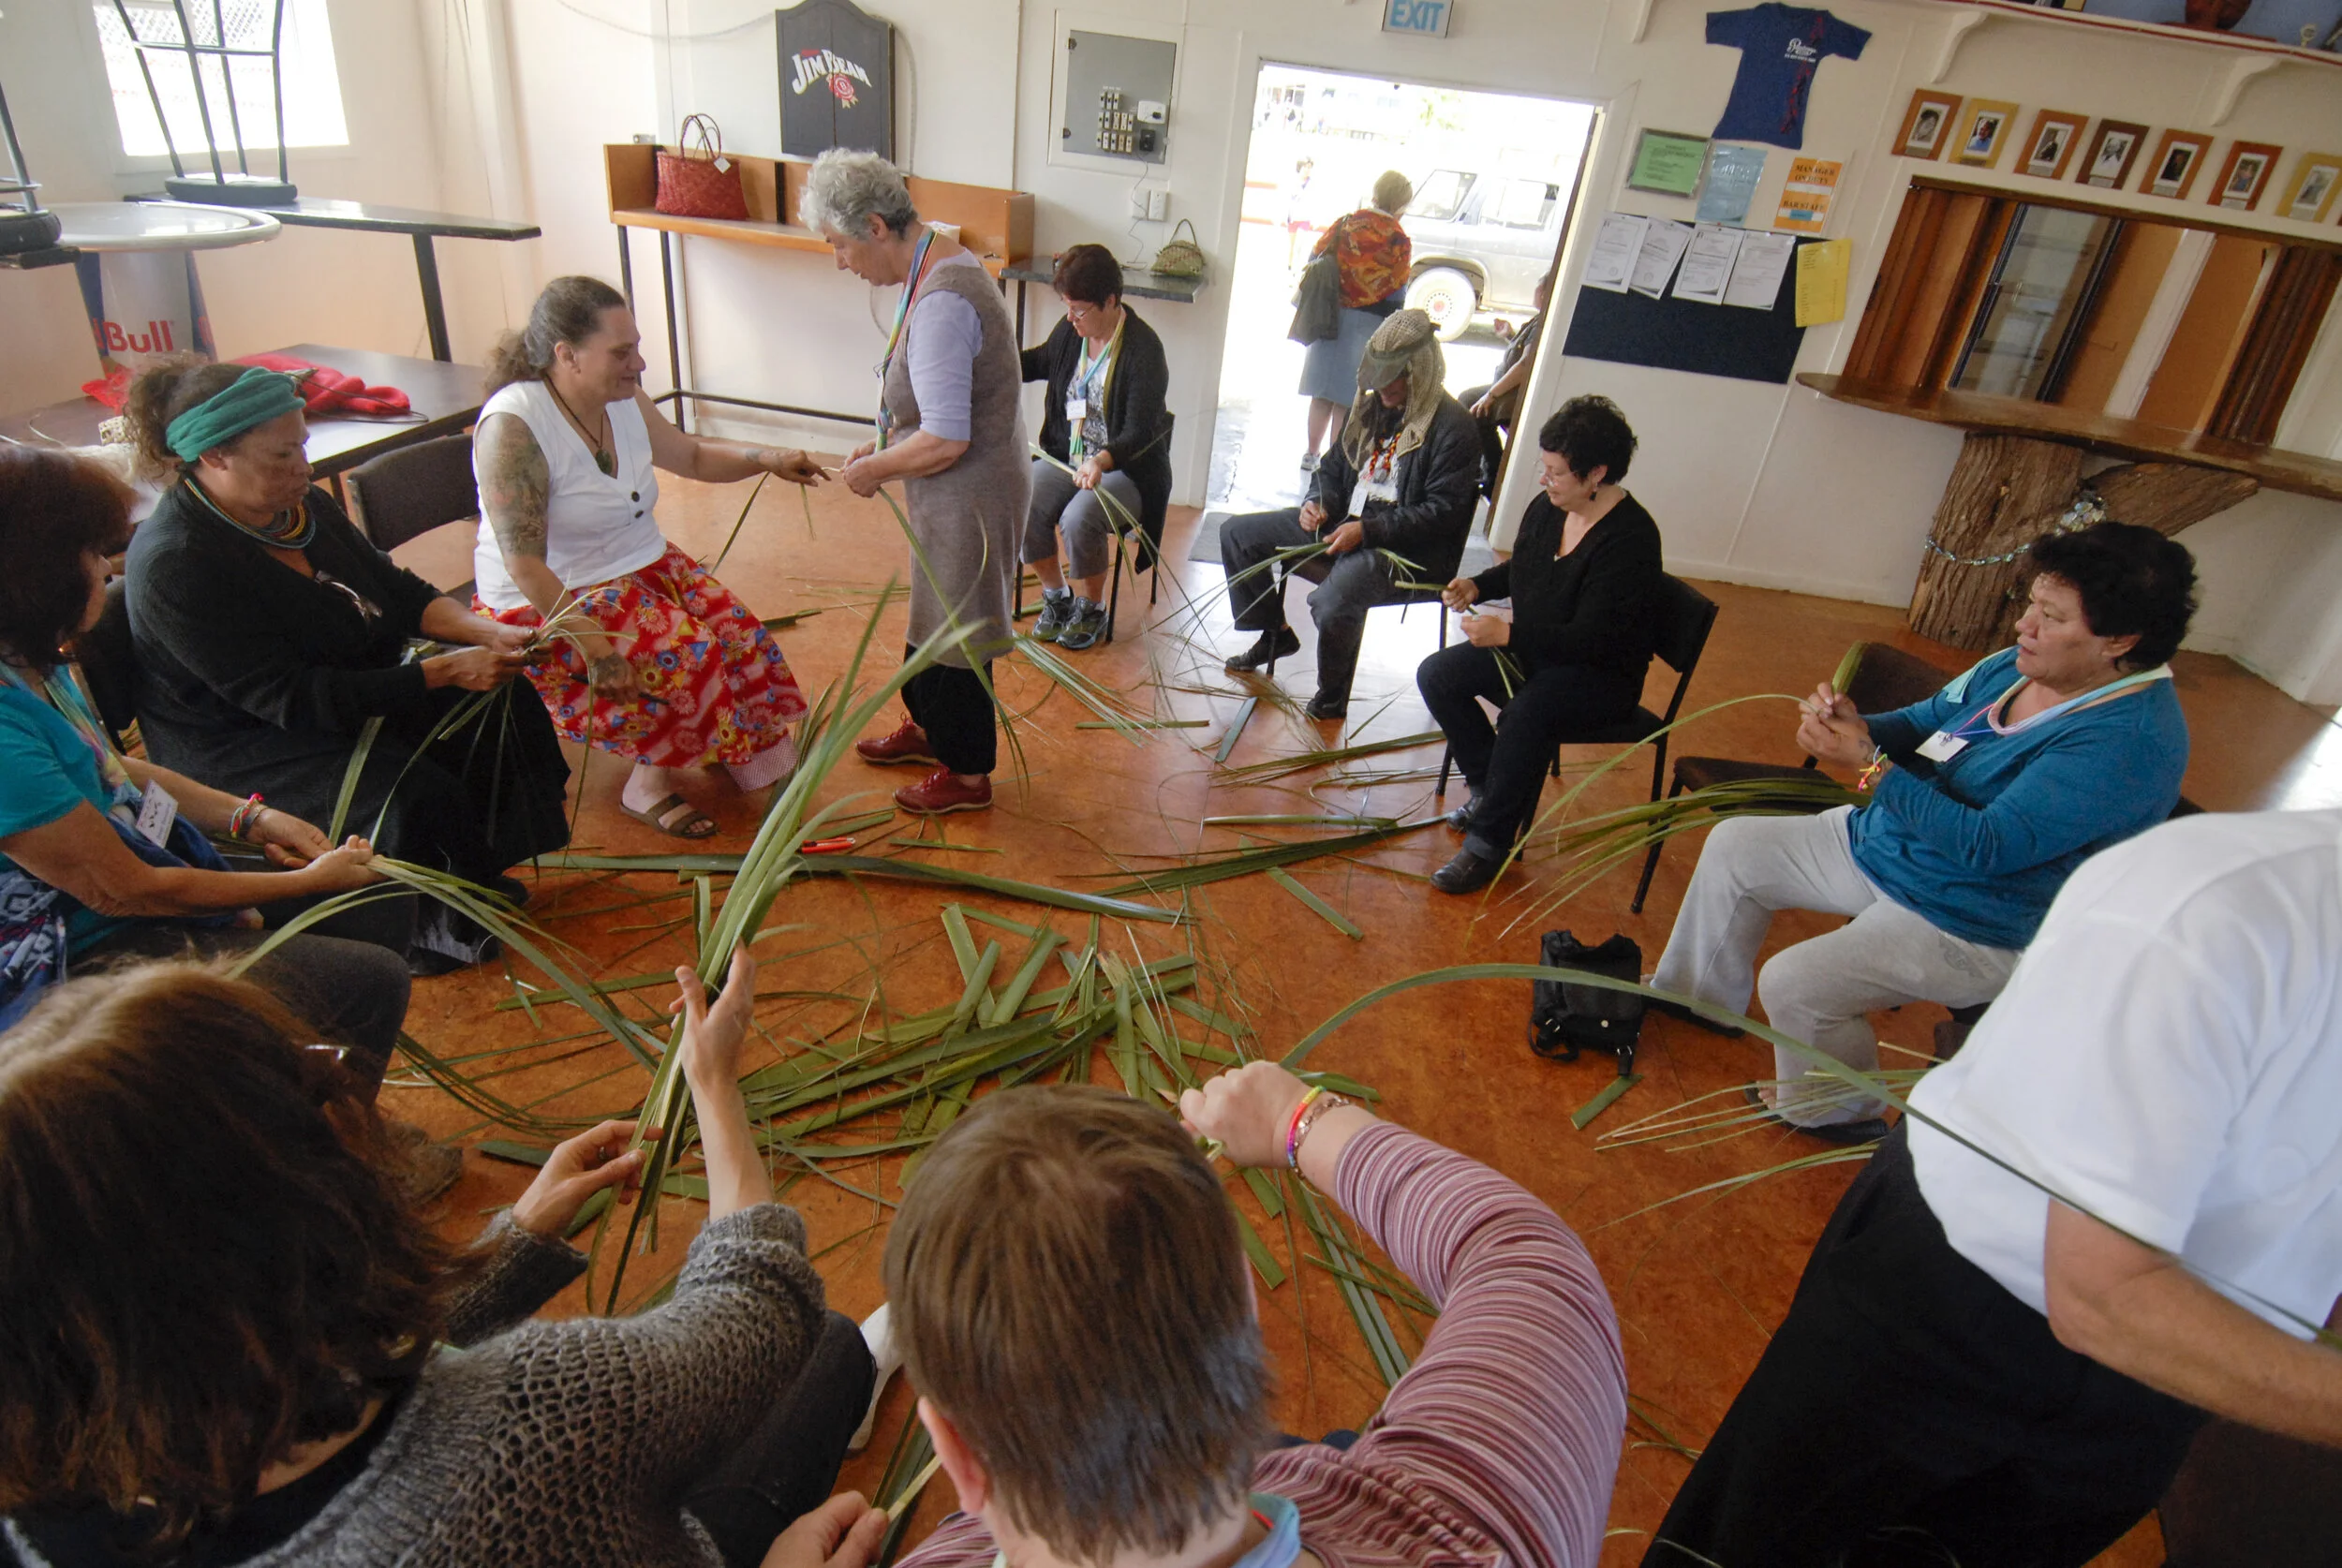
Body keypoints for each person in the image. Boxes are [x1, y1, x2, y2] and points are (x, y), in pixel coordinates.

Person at [0, 950, 884, 1568]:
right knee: (830, 1347)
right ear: (292, 1203)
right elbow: (756, 1304)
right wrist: (714, 1082)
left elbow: (294, 1377)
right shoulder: (531, 1423)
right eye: (316, 1084)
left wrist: (515, 1243)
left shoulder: (39, 1504)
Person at [1644, 806, 2342, 1568]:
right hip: (1958, 1299)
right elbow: (2101, 1295)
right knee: (1756, 1541)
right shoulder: (2221, 906)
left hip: (2194, 1364)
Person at [873, 1062, 1625, 1568]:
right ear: (1246, 1298)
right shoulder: (1456, 1531)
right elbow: (1525, 1257)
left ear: (959, 1456)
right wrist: (1299, 1119)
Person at [1650, 521, 2200, 1141]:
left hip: (1973, 917)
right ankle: (1698, 995)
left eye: (2052, 616)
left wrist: (1869, 767)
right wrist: (1855, 727)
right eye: (2031, 606)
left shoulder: (2128, 741)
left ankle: (1838, 1111)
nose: (2026, 625)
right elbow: (1924, 722)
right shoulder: (2014, 667)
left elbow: (1986, 847)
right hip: (1892, 847)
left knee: (1796, 984)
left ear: (2119, 640)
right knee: (1737, 848)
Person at [121, 358, 571, 973]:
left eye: (302, 446)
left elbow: (393, 588)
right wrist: (443, 671)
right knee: (408, 791)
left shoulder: (298, 507)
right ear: (214, 459)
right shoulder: (176, 562)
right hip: (249, 742)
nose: (302, 468)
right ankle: (427, 928)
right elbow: (295, 699)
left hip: (342, 686)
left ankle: (474, 877)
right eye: (281, 456)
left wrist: (482, 631)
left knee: (501, 701)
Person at [0, 447, 409, 1075]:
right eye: (89, 554)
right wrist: (307, 883)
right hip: (76, 946)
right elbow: (124, 892)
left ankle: (313, 1110)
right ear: (36, 575)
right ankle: (279, 1137)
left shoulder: (34, 662)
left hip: (140, 863)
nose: (105, 570)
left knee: (378, 900)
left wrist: (255, 821)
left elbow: (112, 769)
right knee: (363, 980)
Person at [472, 276, 825, 841]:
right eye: (621, 352)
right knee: (689, 656)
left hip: (636, 565)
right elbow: (525, 566)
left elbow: (690, 454)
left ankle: (730, 747)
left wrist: (767, 458)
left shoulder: (620, 397)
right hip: (554, 597)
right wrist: (597, 649)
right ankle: (646, 787)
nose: (638, 364)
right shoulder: (514, 428)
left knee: (738, 636)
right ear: (567, 355)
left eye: (636, 346)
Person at [810, 149, 1029, 817]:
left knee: (959, 628)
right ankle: (931, 730)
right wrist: (883, 444)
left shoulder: (940, 304)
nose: (841, 261)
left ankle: (966, 776)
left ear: (876, 226)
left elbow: (947, 438)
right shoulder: (939, 261)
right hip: (959, 483)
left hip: (970, 486)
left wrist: (876, 468)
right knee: (936, 611)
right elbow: (934, 420)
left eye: (842, 245)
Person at [1419, 395, 1663, 895]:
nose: (1544, 480)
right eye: (1544, 467)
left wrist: (1507, 633)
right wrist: (1478, 587)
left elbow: (1594, 637)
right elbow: (1526, 570)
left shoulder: (1631, 540)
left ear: (1597, 473)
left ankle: (1489, 843)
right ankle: (1492, 789)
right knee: (1437, 674)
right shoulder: (1550, 509)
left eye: (1556, 471)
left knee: (1526, 715)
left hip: (1598, 675)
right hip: (1538, 652)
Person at [1221, 308, 1479, 720]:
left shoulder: (1454, 428)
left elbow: (1442, 513)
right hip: (1344, 528)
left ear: (1420, 371)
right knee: (1238, 534)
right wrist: (1317, 500)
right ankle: (1273, 635)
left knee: (1334, 599)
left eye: (1392, 378)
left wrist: (1370, 530)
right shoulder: (1372, 408)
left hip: (1404, 552)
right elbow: (1332, 469)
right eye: (1376, 377)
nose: (1381, 388)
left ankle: (1332, 696)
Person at [1018, 244, 1172, 653]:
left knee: (1078, 516)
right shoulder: (1073, 333)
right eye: (1067, 307)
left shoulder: (1144, 351)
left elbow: (1140, 432)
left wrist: (1100, 461)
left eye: (1079, 310)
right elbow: (1040, 361)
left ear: (1110, 300)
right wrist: (993, 362)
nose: (1070, 318)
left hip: (1126, 470)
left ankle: (1091, 606)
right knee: (1024, 498)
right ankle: (1057, 596)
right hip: (1068, 456)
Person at [1297, 170, 1413, 471]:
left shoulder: (1348, 222)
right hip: (1368, 324)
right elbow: (1398, 290)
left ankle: (1310, 454)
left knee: (1321, 393)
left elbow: (1315, 257)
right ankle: (1334, 461)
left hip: (1329, 316)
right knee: (1349, 399)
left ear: (1375, 193)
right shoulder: (1398, 238)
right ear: (1402, 204)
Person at [1457, 270, 1551, 498]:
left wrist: (1490, 395)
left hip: (1512, 395)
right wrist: (1509, 336)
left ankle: (1493, 471)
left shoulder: (1544, 322)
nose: (1536, 291)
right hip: (1504, 389)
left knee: (1472, 404)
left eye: (1540, 287)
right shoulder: (1538, 320)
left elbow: (1525, 363)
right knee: (1469, 400)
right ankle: (1488, 468)